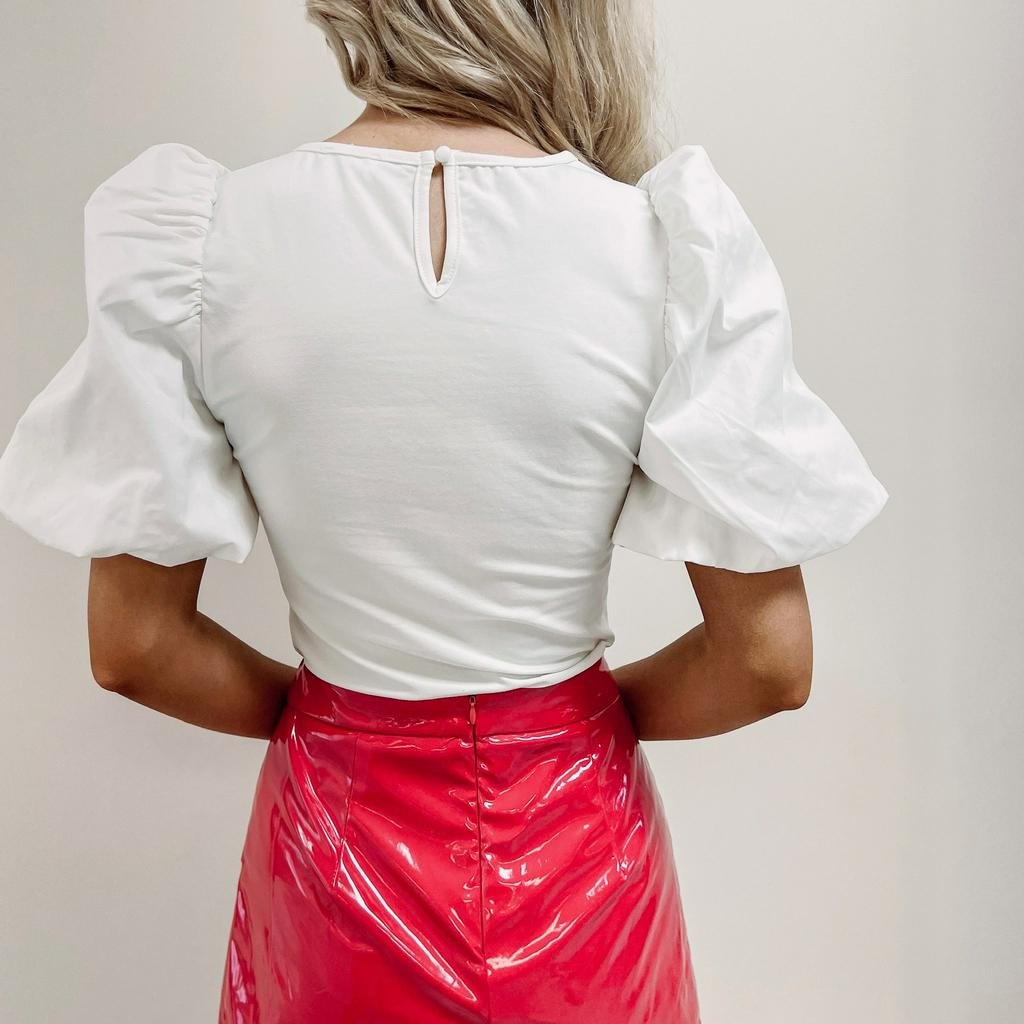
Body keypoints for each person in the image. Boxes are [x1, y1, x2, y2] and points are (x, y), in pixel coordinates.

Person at [0, 2, 888, 1022]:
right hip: (582, 860)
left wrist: (340, 725)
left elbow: (135, 646)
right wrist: (566, 725)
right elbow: (767, 661)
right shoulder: (661, 244)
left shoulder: (204, 239)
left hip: (332, 855)